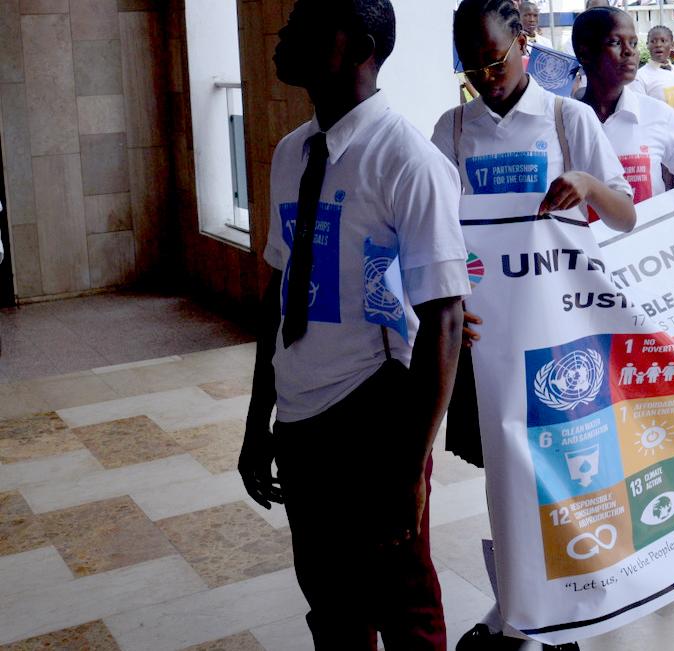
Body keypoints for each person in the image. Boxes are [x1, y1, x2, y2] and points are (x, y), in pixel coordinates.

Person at [238, 1, 469, 649]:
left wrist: (410, 467)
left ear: (362, 48)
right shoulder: (292, 153)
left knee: (403, 604)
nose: (285, 35)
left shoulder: (408, 161)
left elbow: (445, 318)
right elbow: (280, 292)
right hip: (301, 414)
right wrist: (259, 421)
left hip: (375, 414)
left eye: (306, 26)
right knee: (331, 601)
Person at [432, 1, 635, 648]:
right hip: (487, 342)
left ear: (523, 44)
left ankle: (559, 609)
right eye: (472, 68)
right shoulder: (452, 130)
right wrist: (448, 301)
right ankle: (515, 610)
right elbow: (435, 231)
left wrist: (586, 184)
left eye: (495, 60)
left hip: (557, 339)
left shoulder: (566, 118)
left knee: (560, 473)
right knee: (504, 476)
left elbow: (626, 213)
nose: (486, 77)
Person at [576, 7, 674, 206]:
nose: (629, 51)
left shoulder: (657, 113)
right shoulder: (564, 120)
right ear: (585, 53)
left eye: (633, 43)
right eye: (615, 42)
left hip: (649, 225)